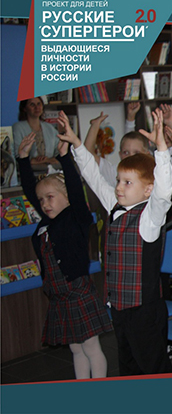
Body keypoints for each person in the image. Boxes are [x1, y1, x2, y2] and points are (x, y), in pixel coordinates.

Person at [58, 109, 172, 376]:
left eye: (128, 182)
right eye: (119, 181)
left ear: (148, 189)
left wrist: (161, 148)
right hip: (120, 307)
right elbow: (93, 177)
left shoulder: (150, 216)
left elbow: (164, 189)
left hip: (144, 309)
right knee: (128, 363)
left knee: (153, 366)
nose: (119, 187)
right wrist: (77, 144)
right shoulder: (115, 205)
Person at [17, 126, 111, 379]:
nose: (44, 203)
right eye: (42, 200)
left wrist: (64, 157)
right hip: (59, 296)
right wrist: (23, 159)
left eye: (50, 197)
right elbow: (30, 189)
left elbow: (74, 187)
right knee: (75, 348)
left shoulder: (76, 217)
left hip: (78, 292)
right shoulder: (46, 223)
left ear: (68, 198)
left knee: (91, 347)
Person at [13, 97, 60, 170]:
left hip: (51, 171)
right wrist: (39, 160)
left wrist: (47, 159)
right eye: (32, 104)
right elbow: (17, 156)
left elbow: (59, 153)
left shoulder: (50, 128)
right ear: (24, 108)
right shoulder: (17, 128)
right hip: (28, 170)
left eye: (39, 104)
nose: (37, 107)